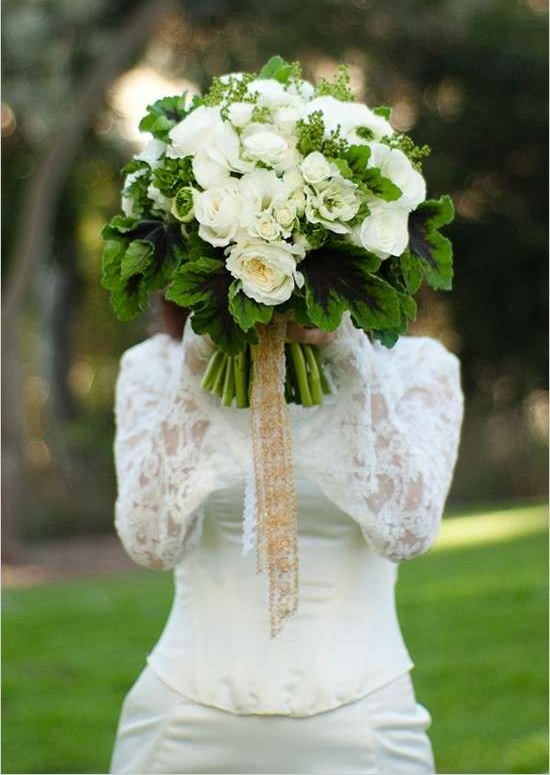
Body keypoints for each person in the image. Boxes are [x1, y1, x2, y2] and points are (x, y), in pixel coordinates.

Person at [109, 295, 464, 775]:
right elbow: (150, 543)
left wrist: (346, 351)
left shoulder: (418, 367)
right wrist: (198, 363)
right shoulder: (156, 367)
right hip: (182, 723)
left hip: (365, 725)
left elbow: (407, 532)